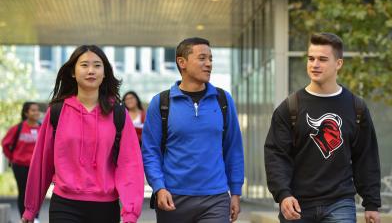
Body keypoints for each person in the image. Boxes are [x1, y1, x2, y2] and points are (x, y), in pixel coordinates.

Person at [264, 33, 381, 223]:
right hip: (297, 204)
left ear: (339, 64)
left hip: (340, 203)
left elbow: (366, 157)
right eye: (311, 58)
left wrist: (372, 204)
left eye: (322, 59)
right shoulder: (290, 108)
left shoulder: (356, 107)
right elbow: (276, 156)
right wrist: (283, 194)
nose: (315, 64)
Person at [21, 45, 144, 223]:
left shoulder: (117, 113)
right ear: (73, 72)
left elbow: (129, 164)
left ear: (105, 73)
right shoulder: (57, 111)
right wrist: (30, 209)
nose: (91, 71)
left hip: (105, 206)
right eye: (84, 65)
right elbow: (42, 161)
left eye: (97, 65)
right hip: (65, 205)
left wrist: (130, 212)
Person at [142, 37, 244, 223]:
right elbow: (150, 151)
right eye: (202, 58)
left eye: (211, 59)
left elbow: (234, 148)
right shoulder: (161, 103)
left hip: (216, 198)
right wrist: (159, 187)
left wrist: (235, 191)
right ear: (182, 62)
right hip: (173, 198)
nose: (209, 64)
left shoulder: (223, 100)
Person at [2, 102, 41, 221]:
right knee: (24, 192)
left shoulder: (42, 128)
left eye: (37, 110)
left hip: (36, 167)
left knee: (36, 193)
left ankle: (35, 218)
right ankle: (24, 218)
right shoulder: (18, 128)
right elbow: (5, 144)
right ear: (26, 113)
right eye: (33, 110)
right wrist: (12, 158)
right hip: (20, 166)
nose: (36, 113)